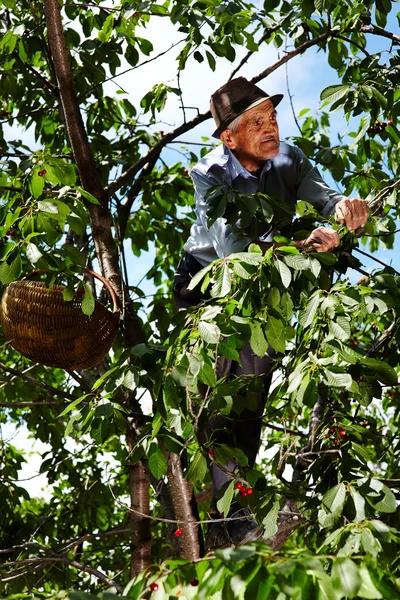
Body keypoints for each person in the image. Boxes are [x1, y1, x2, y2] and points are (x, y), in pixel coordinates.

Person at [173, 77, 369, 550]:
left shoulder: (289, 156)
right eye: (256, 122)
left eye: (273, 117)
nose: (271, 128)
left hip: (265, 288)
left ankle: (232, 519)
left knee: (251, 397)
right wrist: (304, 245)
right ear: (229, 137)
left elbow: (323, 195)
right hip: (209, 285)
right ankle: (224, 519)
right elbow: (232, 250)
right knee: (216, 402)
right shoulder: (209, 174)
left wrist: (344, 208)